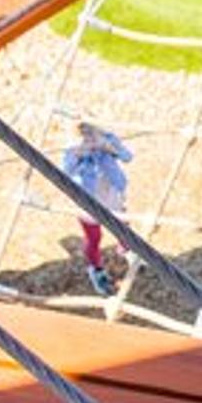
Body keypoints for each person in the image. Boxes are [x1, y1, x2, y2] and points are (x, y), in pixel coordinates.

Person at [60, 119, 133, 295]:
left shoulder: (106, 139)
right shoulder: (72, 151)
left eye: (91, 136)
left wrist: (109, 147)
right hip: (88, 202)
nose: (90, 142)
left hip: (111, 195)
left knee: (122, 226)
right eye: (85, 139)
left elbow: (127, 156)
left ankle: (127, 250)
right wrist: (78, 154)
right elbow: (65, 173)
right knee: (94, 238)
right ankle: (97, 270)